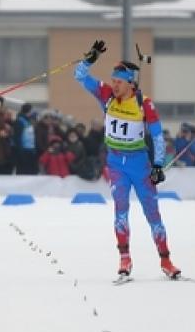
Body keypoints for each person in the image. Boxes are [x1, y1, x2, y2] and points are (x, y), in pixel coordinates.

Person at [74, 40, 180, 279]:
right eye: (113, 80)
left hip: (139, 164)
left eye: (118, 82)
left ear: (130, 83)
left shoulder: (144, 104)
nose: (114, 85)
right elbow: (79, 76)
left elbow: (157, 135)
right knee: (120, 211)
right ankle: (124, 259)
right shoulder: (106, 96)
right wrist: (89, 59)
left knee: (152, 214)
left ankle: (166, 260)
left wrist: (157, 165)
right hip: (115, 164)